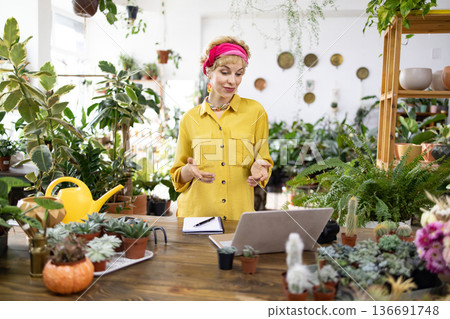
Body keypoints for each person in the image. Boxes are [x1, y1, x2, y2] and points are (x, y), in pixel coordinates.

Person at [170, 36, 273, 220]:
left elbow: (264, 161)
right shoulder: (189, 119)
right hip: (195, 217)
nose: (232, 81)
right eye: (225, 72)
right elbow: (178, 176)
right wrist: (188, 171)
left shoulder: (255, 112)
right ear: (209, 72)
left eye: (238, 73)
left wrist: (261, 170)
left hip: (238, 216)